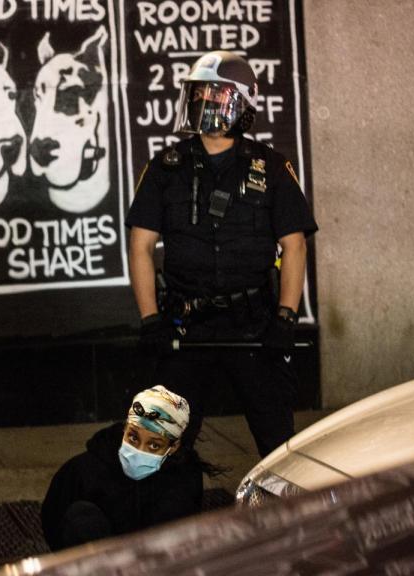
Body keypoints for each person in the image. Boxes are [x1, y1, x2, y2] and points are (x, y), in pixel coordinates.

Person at [126, 51, 318, 457]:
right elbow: (140, 247)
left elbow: (295, 245)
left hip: (253, 325)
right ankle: (171, 516)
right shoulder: (165, 168)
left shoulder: (271, 167)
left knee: (279, 447)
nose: (208, 101)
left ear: (242, 102)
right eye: (201, 93)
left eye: (218, 93)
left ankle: (280, 519)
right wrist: (150, 321)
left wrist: (285, 318)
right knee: (161, 447)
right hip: (185, 327)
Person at [41, 385, 205, 551]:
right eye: (133, 437)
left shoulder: (183, 478)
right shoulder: (84, 470)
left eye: (154, 445)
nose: (140, 450)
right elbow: (54, 521)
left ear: (174, 446)